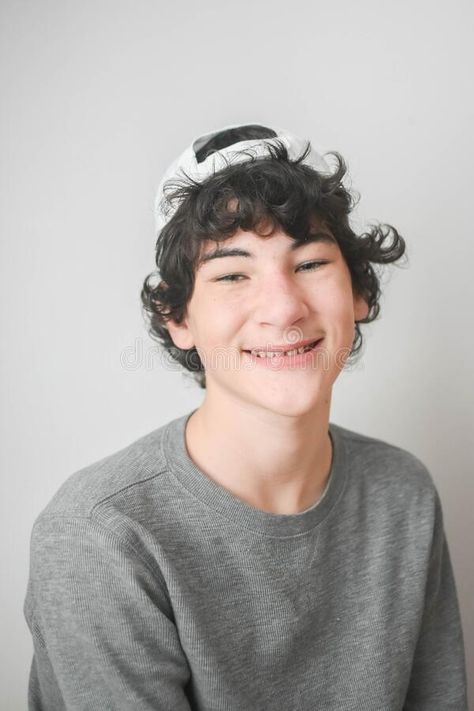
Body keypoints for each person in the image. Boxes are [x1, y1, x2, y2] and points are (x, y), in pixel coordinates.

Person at [24, 123, 468, 710]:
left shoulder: (402, 492)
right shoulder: (100, 535)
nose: (283, 307)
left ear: (358, 294)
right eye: (233, 274)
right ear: (178, 319)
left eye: (309, 264)